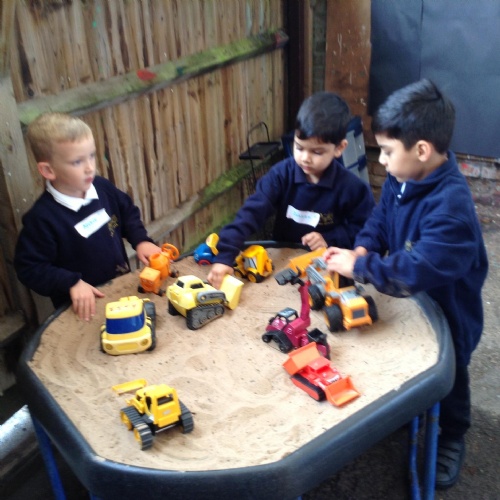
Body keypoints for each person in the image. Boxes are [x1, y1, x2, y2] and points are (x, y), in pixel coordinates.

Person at [324, 79, 488, 489]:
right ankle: (413, 407)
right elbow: (380, 218)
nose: (381, 160)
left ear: (422, 150)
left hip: (450, 311)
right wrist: (363, 248)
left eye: (387, 151)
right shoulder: (403, 177)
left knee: (451, 374)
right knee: (410, 361)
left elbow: (414, 269)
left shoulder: (450, 210)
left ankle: (452, 434)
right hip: (413, 302)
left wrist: (362, 268)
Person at [207, 91, 375, 289]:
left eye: (317, 152)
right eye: (299, 147)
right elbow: (251, 212)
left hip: (327, 266)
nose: (305, 158)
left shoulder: (352, 187)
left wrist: (329, 239)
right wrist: (225, 255)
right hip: (283, 264)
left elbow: (366, 229)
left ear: (339, 148)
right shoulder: (281, 175)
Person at [15, 112, 161, 321]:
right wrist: (70, 282)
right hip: (83, 310)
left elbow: (127, 211)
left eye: (91, 155)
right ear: (48, 170)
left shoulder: (102, 188)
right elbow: (30, 267)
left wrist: (140, 240)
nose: (90, 167)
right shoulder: (42, 219)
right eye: (77, 162)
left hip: (121, 291)